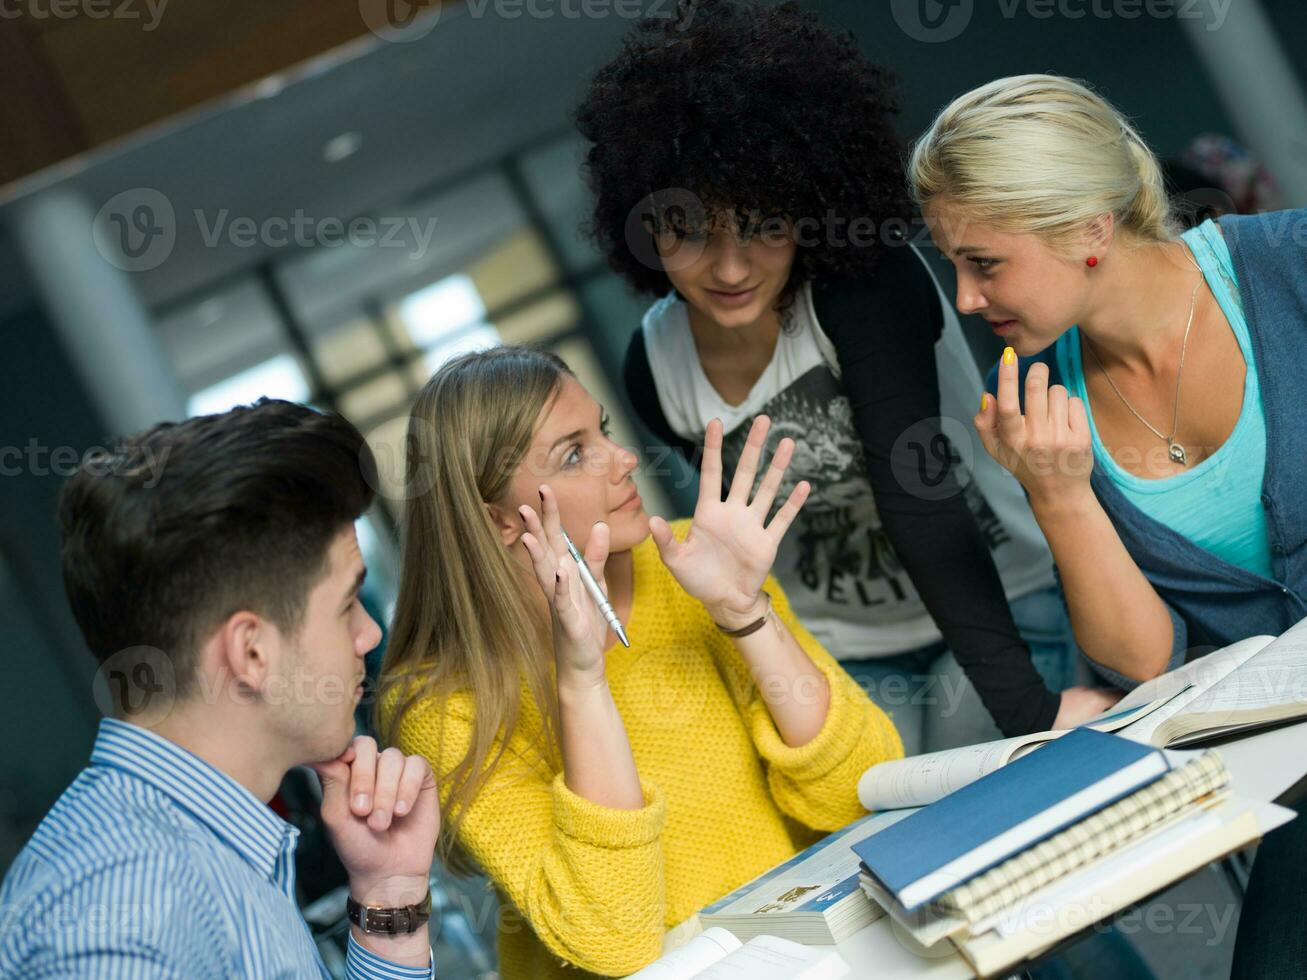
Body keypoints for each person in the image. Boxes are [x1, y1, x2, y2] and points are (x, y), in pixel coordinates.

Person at [575, 0, 1112, 755]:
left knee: (993, 784)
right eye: (690, 233)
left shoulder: (863, 289)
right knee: (894, 826)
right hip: (842, 643)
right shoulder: (653, 367)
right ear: (643, 223)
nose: (729, 269)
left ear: (807, 206)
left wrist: (1030, 716)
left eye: (762, 226)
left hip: (1001, 600)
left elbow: (916, 498)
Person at [909, 72, 1307, 980]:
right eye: (953, 267)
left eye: (983, 262)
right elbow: (1144, 659)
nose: (966, 299)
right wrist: (1057, 495)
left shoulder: (1289, 265)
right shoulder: (1047, 405)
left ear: (1090, 229)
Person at [376, 346, 901, 980]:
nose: (624, 460)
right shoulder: (444, 703)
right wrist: (582, 681)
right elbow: (612, 937)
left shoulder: (690, 567)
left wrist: (743, 613)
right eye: (574, 454)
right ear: (497, 521)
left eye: (604, 431)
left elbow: (865, 793)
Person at [0, 400, 440, 979]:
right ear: (251, 652)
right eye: (346, 604)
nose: (369, 633)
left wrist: (388, 892)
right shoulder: (127, 912)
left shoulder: (203, 845)